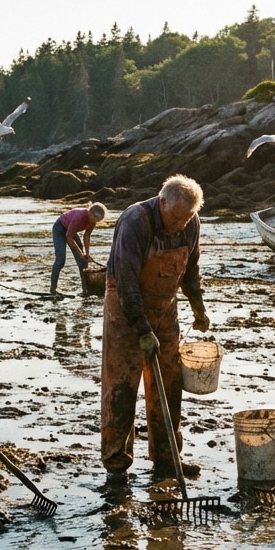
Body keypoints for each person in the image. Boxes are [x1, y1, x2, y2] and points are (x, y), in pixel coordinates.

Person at [101, 174, 210, 480]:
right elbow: (125, 279)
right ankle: (116, 464)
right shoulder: (136, 221)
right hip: (125, 308)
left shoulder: (191, 223)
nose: (181, 223)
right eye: (176, 217)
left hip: (165, 308)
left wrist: (197, 306)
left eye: (188, 217)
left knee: (169, 382)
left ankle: (166, 458)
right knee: (122, 383)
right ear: (162, 202)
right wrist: (142, 328)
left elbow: (191, 268)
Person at [51, 202, 106, 294]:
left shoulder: (93, 221)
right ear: (89, 213)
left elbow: (87, 235)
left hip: (71, 230)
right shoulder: (79, 216)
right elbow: (69, 236)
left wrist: (87, 254)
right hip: (60, 228)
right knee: (60, 260)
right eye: (94, 219)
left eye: (97, 221)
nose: (94, 222)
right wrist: (80, 253)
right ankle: (53, 289)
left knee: (83, 262)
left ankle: (85, 289)